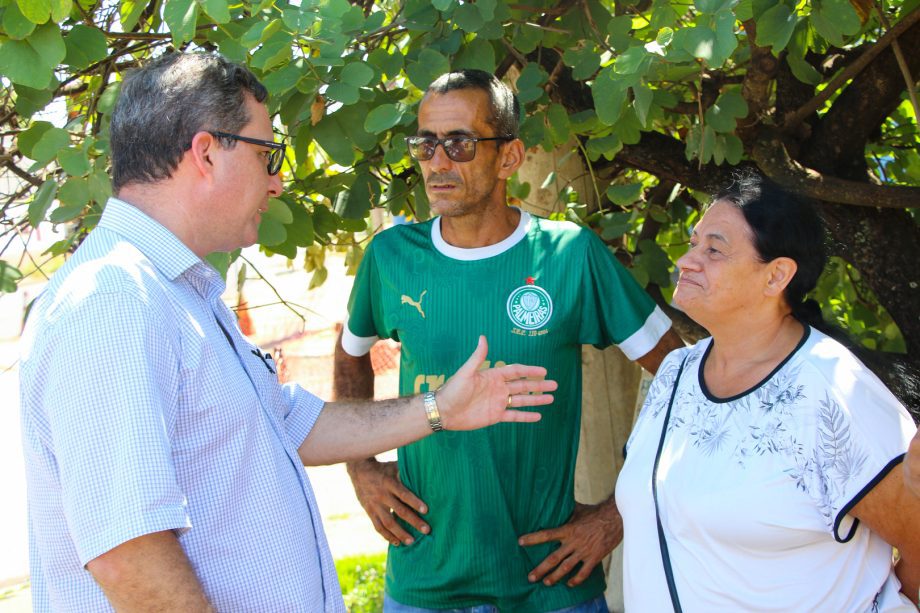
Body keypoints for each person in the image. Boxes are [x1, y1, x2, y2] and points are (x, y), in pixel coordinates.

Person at [18, 53, 560, 612]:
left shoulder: (174, 292)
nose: (276, 182)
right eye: (267, 154)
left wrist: (439, 408)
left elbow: (290, 424)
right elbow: (130, 554)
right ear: (206, 152)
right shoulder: (114, 302)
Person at [334, 69, 684, 612]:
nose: (438, 162)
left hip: (551, 586)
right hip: (424, 583)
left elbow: (687, 377)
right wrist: (361, 467)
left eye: (460, 143)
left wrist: (620, 512)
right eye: (425, 144)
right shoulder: (390, 257)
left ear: (509, 156)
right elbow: (350, 358)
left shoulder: (570, 256)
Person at [615, 172, 920, 611]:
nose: (687, 260)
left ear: (776, 275)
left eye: (714, 249)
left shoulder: (832, 392)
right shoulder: (675, 374)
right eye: (694, 242)